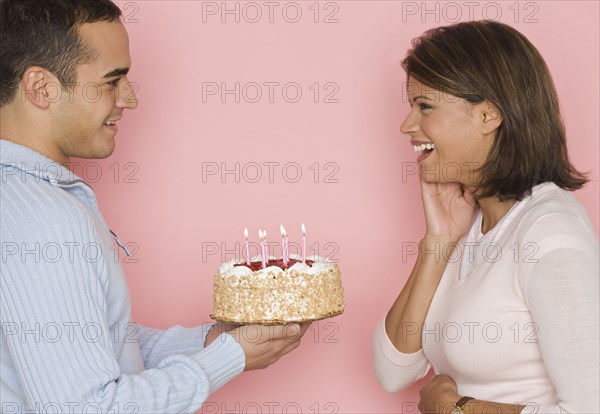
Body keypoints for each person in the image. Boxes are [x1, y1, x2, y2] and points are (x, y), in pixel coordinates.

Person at [0, 0, 309, 412]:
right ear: (41, 88)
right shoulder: (46, 219)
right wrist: (229, 358)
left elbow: (93, 340)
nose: (130, 100)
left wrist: (215, 341)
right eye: (112, 82)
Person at [372, 20, 599, 413]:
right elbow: (393, 371)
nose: (407, 125)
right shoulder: (473, 226)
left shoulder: (549, 234)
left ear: (488, 116)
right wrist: (438, 243)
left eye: (425, 106)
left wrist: (456, 408)